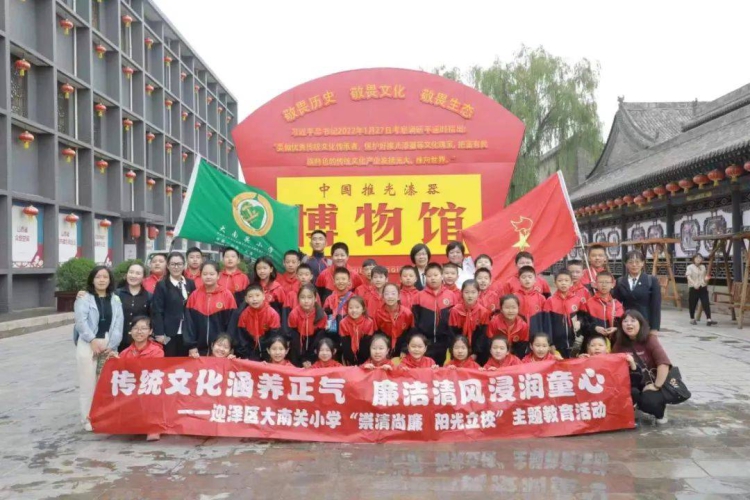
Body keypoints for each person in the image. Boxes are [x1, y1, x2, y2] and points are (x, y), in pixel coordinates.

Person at [73, 266, 123, 431]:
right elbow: (80, 322)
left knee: (105, 383)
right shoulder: (84, 298)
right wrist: (92, 340)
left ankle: (104, 416)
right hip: (88, 342)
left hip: (108, 343)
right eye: (98, 277)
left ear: (110, 280)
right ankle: (87, 418)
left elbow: (118, 324)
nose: (102, 280)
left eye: (105, 277)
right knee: (88, 383)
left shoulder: (115, 299)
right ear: (92, 280)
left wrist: (112, 345)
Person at [612, 310, 671, 423]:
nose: (629, 324)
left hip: (651, 382)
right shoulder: (619, 343)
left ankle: (660, 410)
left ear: (640, 323)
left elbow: (663, 363)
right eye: (625, 321)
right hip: (633, 382)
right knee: (629, 394)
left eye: (633, 321)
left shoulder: (650, 339)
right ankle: (634, 407)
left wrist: (656, 386)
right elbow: (611, 364)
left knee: (649, 402)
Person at [110, 315, 163, 442]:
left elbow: (152, 370)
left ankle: (153, 427)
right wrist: (113, 361)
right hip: (132, 386)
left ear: (150, 331)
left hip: (148, 385)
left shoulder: (157, 351)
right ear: (131, 331)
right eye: (135, 328)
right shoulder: (125, 353)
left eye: (144, 328)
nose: (139, 332)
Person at [184, 261, 237, 358]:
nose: (208, 277)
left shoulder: (227, 295)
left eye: (212, 274)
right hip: (198, 351)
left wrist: (228, 347)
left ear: (218, 275)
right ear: (200, 275)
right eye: (205, 274)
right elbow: (189, 324)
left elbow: (232, 325)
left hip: (220, 351)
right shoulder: (194, 295)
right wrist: (191, 346)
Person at [152, 251, 196, 357]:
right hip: (168, 333)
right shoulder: (162, 285)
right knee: (170, 360)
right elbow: (157, 310)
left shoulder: (190, 283)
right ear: (167, 266)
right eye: (173, 264)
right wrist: (159, 333)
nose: (176, 267)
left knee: (185, 361)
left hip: (187, 331)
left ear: (184, 265)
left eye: (179, 264)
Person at [412, 263, 456, 365]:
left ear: (442, 276)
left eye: (436, 275)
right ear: (425, 277)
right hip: (424, 343)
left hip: (444, 343)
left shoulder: (451, 295)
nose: (433, 278)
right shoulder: (418, 296)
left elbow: (454, 322)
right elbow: (415, 322)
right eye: (429, 276)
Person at [613, 250, 662, 333]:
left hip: (644, 321)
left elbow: (656, 306)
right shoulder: (620, 281)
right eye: (630, 262)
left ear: (642, 263)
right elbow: (616, 304)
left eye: (637, 262)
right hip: (626, 322)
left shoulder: (651, 280)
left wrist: (654, 328)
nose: (634, 265)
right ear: (626, 264)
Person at [543, 270, 586, 358]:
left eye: (566, 280)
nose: (563, 283)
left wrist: (580, 321)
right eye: (560, 280)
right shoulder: (550, 301)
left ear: (571, 283)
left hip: (575, 342)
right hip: (557, 343)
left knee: (574, 362)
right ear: (555, 283)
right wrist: (550, 343)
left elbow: (583, 316)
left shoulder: (577, 300)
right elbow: (547, 324)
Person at [232, 284, 281, 361]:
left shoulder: (272, 314)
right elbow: (242, 340)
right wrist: (246, 356)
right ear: (246, 299)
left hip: (268, 354)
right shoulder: (244, 315)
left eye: (257, 295)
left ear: (264, 296)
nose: (254, 299)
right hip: (250, 354)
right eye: (250, 296)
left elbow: (274, 337)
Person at [114, 261, 151, 352]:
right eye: (131, 272)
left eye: (138, 273)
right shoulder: (116, 294)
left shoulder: (149, 296)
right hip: (118, 341)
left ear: (144, 277)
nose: (133, 276)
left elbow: (152, 318)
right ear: (126, 274)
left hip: (140, 342)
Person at [287, 284, 327, 367]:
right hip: (299, 344)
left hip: (314, 345)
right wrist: (303, 359)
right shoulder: (293, 314)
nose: (306, 301)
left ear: (315, 299)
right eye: (302, 297)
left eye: (309, 297)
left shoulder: (322, 315)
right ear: (298, 299)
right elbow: (295, 339)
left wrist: (310, 359)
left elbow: (318, 338)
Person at [582, 271, 623, 350]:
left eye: (607, 282)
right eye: (601, 282)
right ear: (595, 284)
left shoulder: (617, 304)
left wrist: (615, 328)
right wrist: (595, 328)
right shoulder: (588, 303)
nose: (604, 285)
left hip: (614, 344)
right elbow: (583, 324)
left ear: (612, 284)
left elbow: (622, 324)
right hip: (595, 345)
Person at [449, 279, 489, 350]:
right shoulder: (455, 311)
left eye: (473, 292)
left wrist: (476, 352)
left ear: (479, 293)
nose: (470, 296)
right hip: (458, 349)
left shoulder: (483, 312)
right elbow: (452, 333)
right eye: (466, 292)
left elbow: (482, 335)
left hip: (477, 348)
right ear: (461, 293)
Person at [374, 283, 414, 354]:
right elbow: (376, 335)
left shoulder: (407, 313)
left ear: (398, 297)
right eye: (387, 294)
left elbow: (411, 334)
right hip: (384, 350)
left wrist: (404, 350)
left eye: (393, 294)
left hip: (403, 350)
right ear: (383, 297)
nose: (390, 297)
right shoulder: (378, 314)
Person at [488, 295, 529, 362]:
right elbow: (489, 344)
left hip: (515, 357)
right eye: (507, 308)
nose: (510, 311)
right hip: (496, 356)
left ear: (518, 309)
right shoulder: (494, 323)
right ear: (501, 309)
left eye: (514, 308)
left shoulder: (523, 325)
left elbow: (522, 348)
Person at [338, 296, 375, 366]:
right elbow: (345, 343)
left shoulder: (369, 322)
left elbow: (366, 343)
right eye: (351, 308)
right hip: (349, 356)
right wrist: (351, 359)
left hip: (364, 357)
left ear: (363, 309)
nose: (354, 310)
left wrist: (361, 362)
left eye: (357, 307)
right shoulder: (343, 323)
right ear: (347, 309)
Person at [514, 266, 546, 334]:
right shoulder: (514, 297)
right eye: (523, 277)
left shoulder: (541, 298)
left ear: (535, 280)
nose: (527, 279)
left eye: (530, 277)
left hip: (536, 331)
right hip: (518, 331)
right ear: (519, 280)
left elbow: (545, 318)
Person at [686, 253, 715, 326]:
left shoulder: (703, 267)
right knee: (692, 303)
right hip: (693, 287)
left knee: (706, 303)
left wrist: (706, 279)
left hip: (702, 286)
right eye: (697, 258)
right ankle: (692, 319)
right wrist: (694, 284)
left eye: (700, 258)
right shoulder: (690, 267)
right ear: (693, 259)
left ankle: (709, 319)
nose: (698, 259)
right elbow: (688, 276)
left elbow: (704, 277)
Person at [322, 267, 353, 332]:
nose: (340, 282)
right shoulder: (329, 299)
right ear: (334, 282)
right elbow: (325, 316)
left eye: (343, 279)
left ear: (349, 281)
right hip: (334, 331)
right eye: (337, 279)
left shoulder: (353, 297)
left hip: (349, 330)